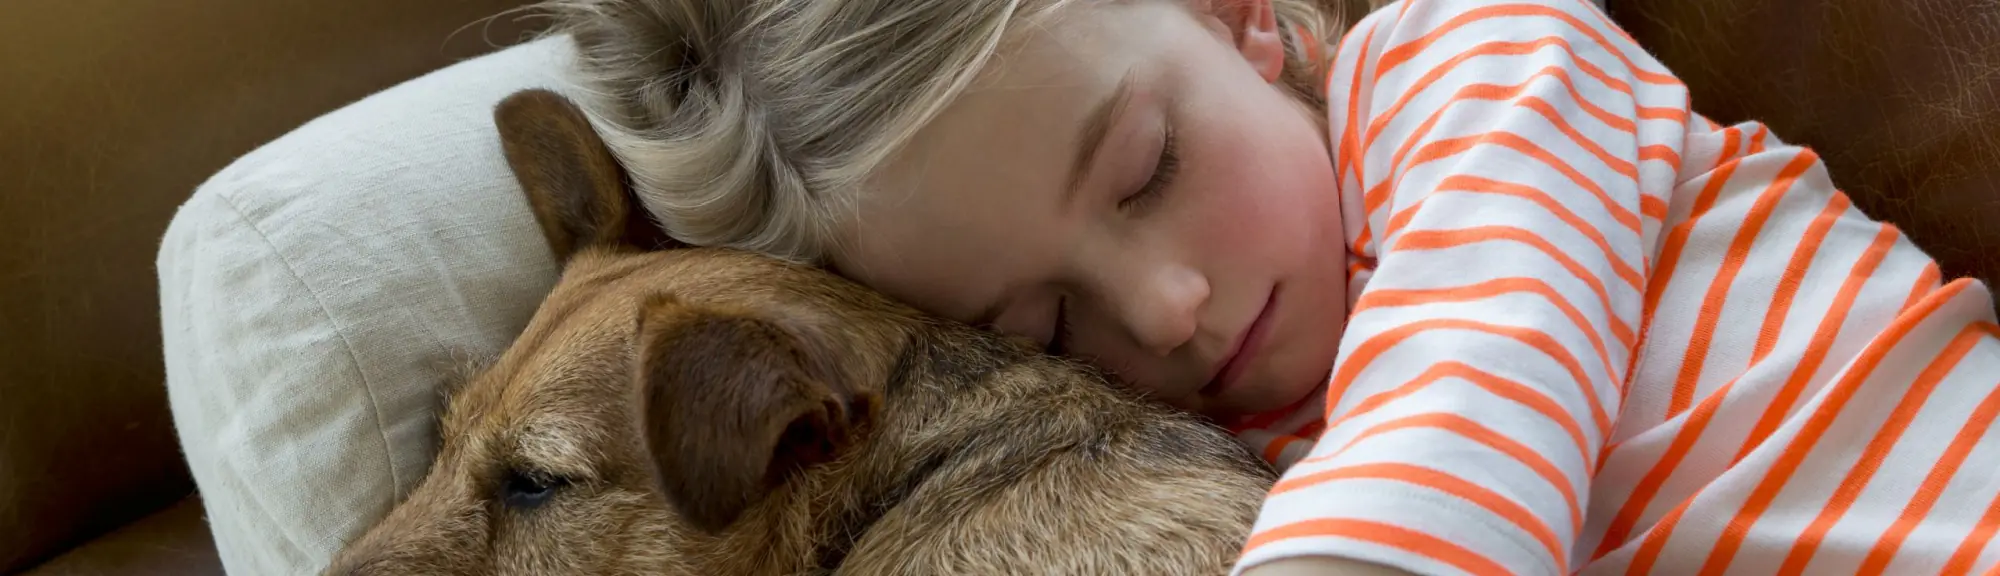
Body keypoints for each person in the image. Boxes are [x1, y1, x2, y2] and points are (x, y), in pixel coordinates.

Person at [544, 0, 2000, 573]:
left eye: (1146, 166)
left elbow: (1480, 390)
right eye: (1045, 327)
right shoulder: (1225, 458)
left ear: (1243, 19)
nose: (1165, 310)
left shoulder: (1479, 63)